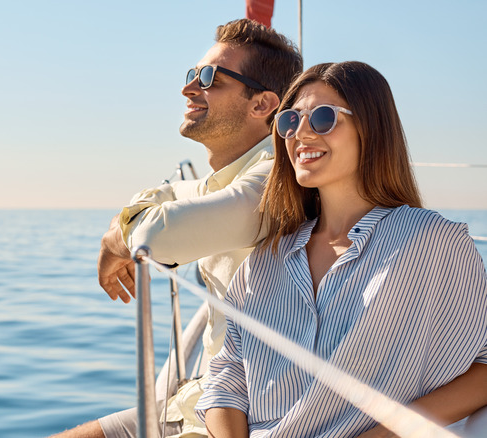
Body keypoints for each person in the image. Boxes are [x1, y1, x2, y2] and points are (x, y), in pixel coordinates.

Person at [196, 61, 487, 437]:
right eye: (289, 121)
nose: (300, 133)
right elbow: (227, 378)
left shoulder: (431, 242)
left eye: (322, 118)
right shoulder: (266, 260)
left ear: (371, 128)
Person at [50, 19, 302, 438]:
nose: (189, 88)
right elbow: (165, 195)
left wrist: (115, 238)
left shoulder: (277, 175)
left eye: (208, 79)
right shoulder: (226, 179)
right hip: (206, 398)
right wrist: (130, 222)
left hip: (253, 412)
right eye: (192, 75)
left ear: (262, 105)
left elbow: (159, 233)